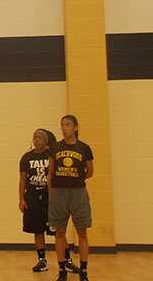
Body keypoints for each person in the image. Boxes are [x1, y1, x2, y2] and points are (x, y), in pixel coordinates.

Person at [19, 128, 75, 272]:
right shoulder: (26, 158)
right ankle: (42, 261)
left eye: (40, 138)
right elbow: (22, 180)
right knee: (37, 230)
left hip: (49, 199)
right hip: (32, 198)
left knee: (58, 231)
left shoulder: (51, 155)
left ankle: (67, 260)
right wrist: (21, 199)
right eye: (35, 137)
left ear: (46, 141)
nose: (37, 140)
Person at [48, 115, 94, 281]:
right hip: (59, 192)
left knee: (82, 231)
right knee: (59, 231)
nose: (64, 128)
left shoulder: (84, 148)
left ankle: (83, 270)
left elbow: (89, 172)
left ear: (75, 127)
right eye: (62, 125)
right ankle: (62, 271)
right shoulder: (55, 147)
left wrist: (75, 178)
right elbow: (50, 174)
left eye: (67, 125)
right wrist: (51, 196)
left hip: (78, 192)